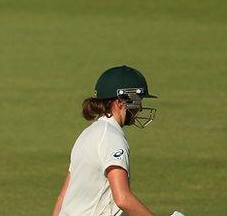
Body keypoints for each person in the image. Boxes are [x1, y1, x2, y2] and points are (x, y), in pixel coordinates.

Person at [52, 65, 157, 216]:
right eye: (137, 101)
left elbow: (63, 197)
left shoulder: (86, 135)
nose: (139, 108)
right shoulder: (112, 138)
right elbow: (122, 199)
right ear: (119, 102)